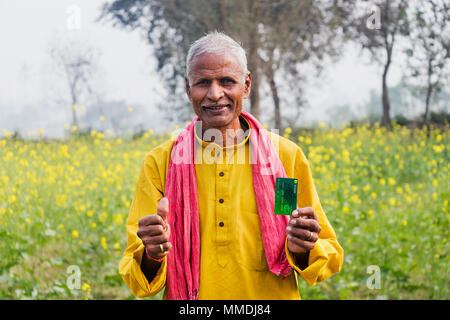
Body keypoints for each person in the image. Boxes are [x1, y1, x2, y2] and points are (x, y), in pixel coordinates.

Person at [119, 31, 343, 300]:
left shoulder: (283, 160)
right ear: (188, 88)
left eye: (227, 81)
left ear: (246, 85)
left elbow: (325, 254)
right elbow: (138, 276)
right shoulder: (162, 163)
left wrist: (302, 246)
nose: (215, 94)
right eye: (203, 82)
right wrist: (153, 254)